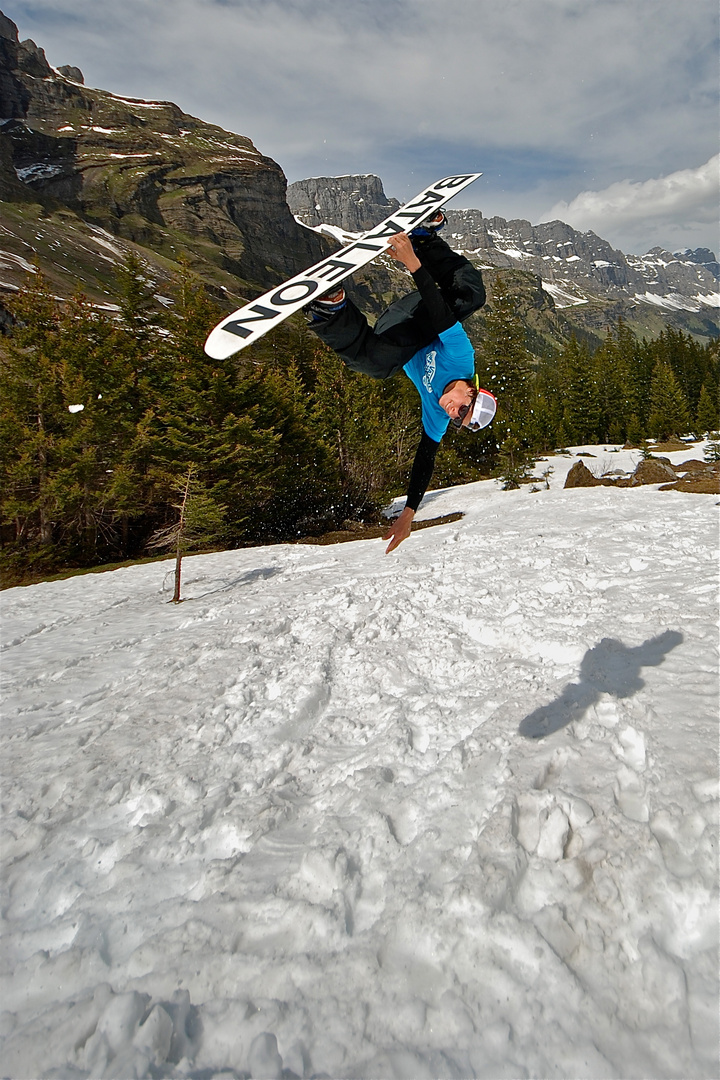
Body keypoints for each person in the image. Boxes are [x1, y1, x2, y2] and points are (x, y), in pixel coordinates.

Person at [306, 214, 496, 553]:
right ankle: (425, 238)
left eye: (457, 419)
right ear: (471, 389)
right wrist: (413, 262)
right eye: (462, 408)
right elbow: (439, 312)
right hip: (422, 313)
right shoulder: (461, 359)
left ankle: (331, 309)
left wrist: (409, 513)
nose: (453, 412)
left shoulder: (439, 415)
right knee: (473, 295)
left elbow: (425, 459)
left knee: (379, 367)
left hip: (399, 336)